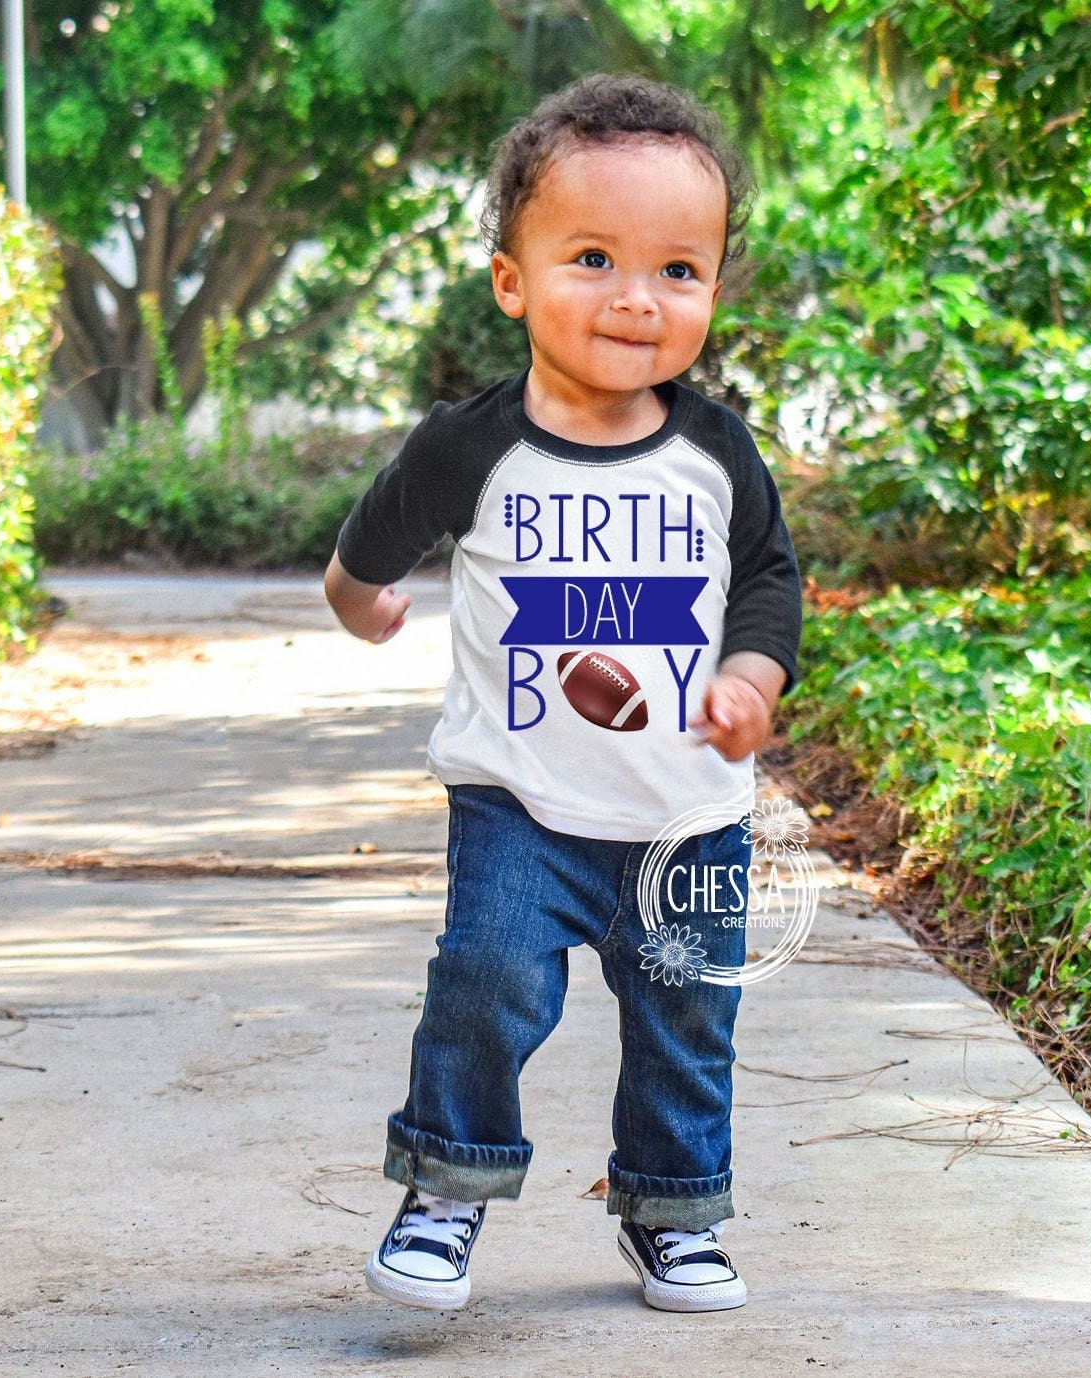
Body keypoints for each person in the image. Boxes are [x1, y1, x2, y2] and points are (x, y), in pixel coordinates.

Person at [325, 72, 802, 1314]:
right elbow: (366, 545)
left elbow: (764, 578)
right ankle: (446, 1189)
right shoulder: (470, 448)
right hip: (520, 806)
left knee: (688, 1026)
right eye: (592, 257)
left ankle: (674, 1212)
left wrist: (750, 675)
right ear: (511, 280)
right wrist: (359, 601)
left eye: (678, 270)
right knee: (481, 987)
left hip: (687, 812)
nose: (636, 298)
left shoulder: (716, 452)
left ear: (710, 288)